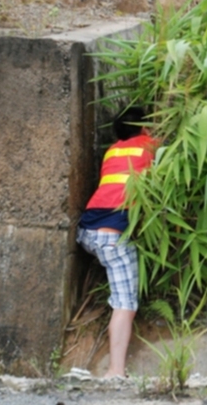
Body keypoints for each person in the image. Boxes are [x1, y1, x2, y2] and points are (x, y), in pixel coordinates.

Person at [76, 106, 155, 379]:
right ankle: (115, 371)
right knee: (125, 303)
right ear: (145, 128)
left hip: (88, 230)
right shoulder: (148, 146)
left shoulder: (112, 151)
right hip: (112, 237)